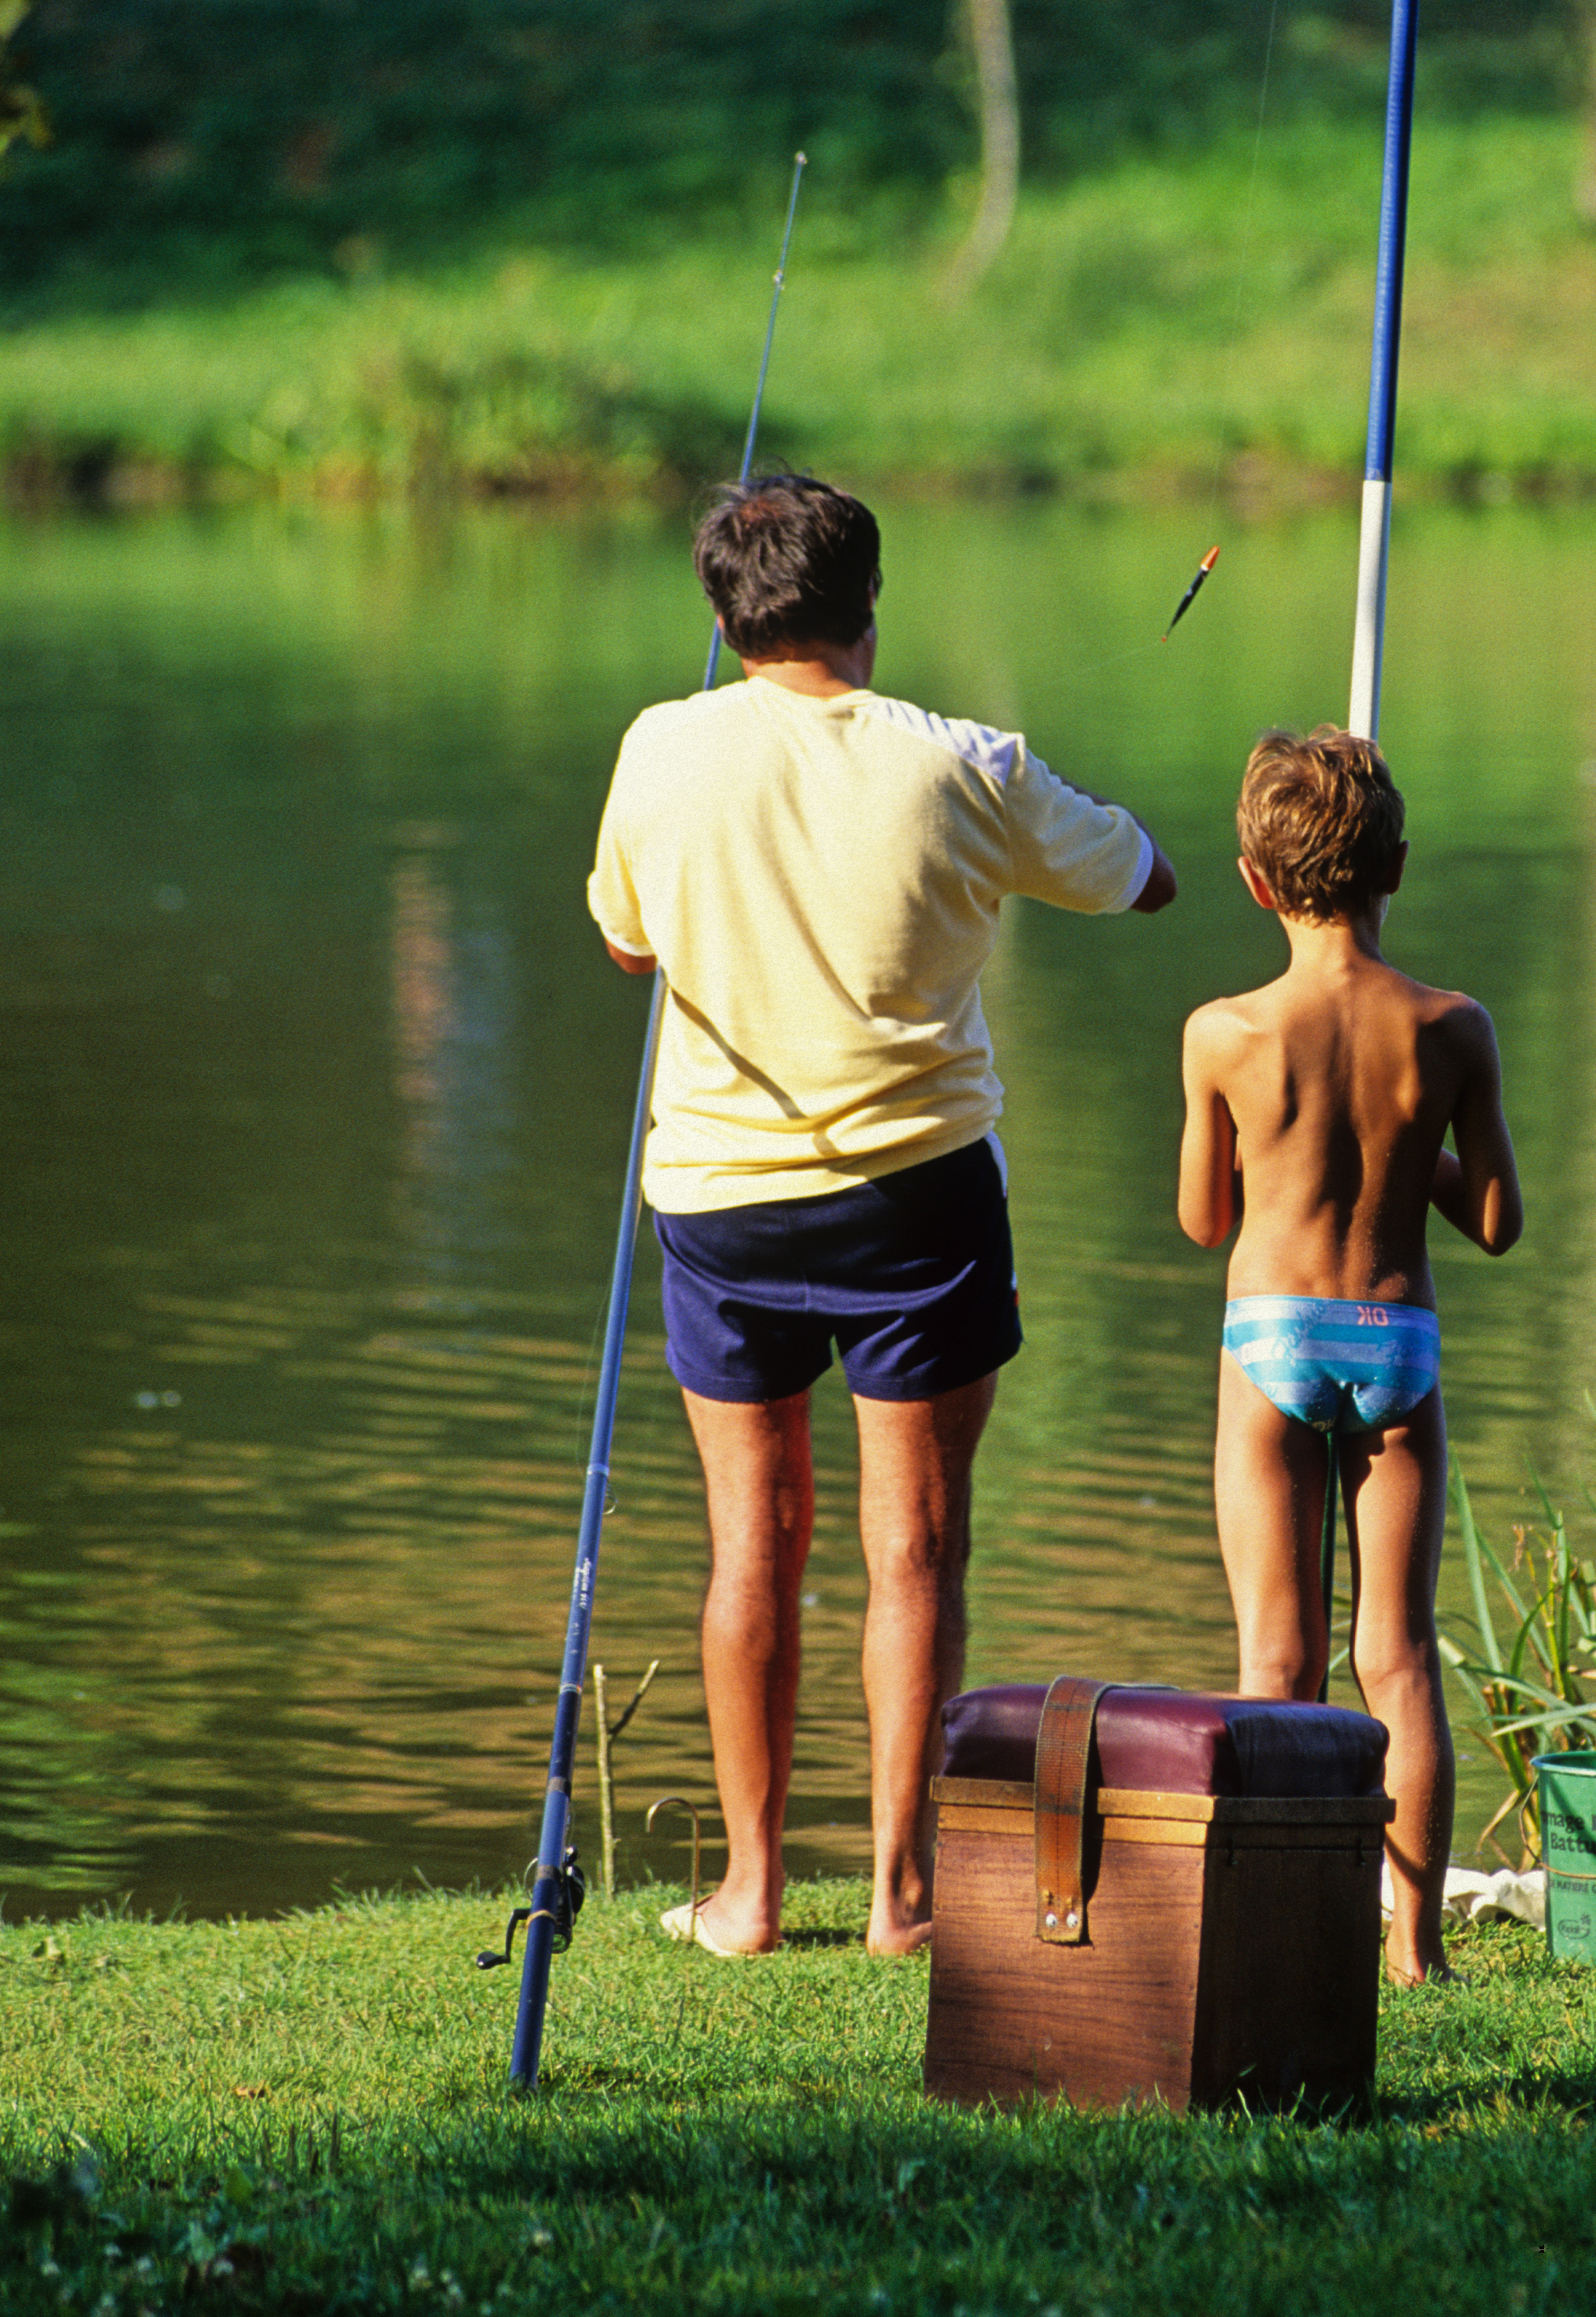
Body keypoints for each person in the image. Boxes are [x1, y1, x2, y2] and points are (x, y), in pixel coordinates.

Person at [587, 474, 1177, 1958]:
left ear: (727, 615)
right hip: (918, 1200)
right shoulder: (965, 760)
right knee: (913, 1549)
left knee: (751, 1548)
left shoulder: (659, 744)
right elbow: (1146, 883)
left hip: (721, 1202)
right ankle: (902, 1899)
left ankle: (748, 1895)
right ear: (870, 601)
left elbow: (620, 937)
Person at [1174, 725, 1522, 1985]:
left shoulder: (1221, 1031)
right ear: (1399, 868)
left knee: (1276, 1655)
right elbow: (1494, 1221)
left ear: (1253, 881)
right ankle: (1415, 1947)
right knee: (1399, 1653)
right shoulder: (1453, 1026)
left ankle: (1268, 1928)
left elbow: (1206, 1218)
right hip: (1397, 1343)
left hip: (1269, 1334)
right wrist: (1400, 1149)